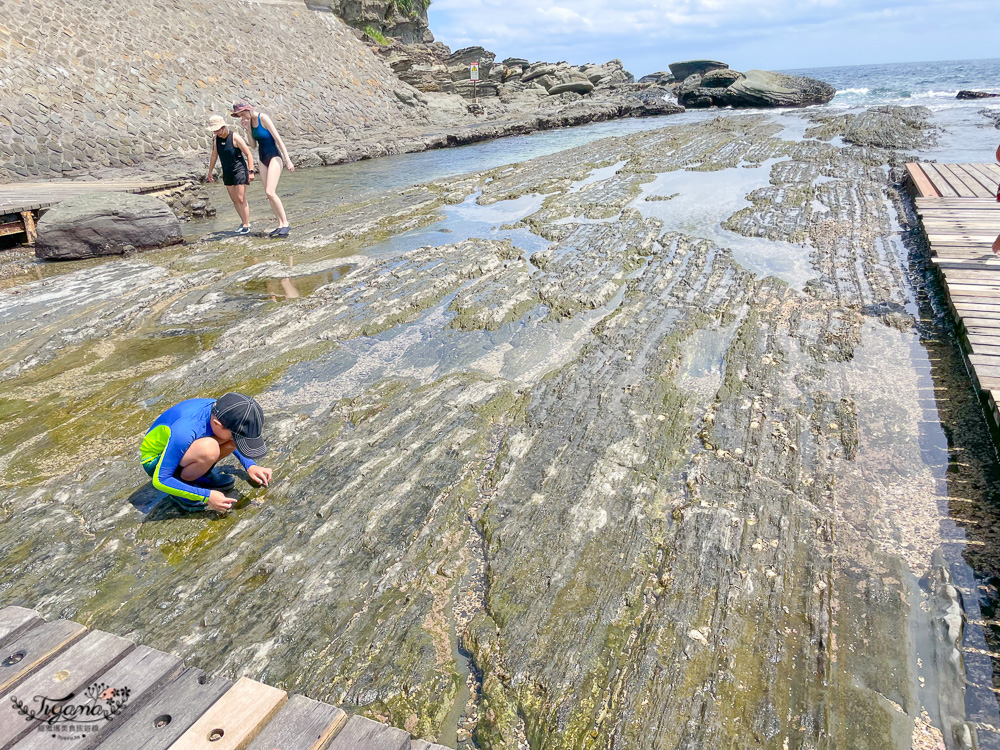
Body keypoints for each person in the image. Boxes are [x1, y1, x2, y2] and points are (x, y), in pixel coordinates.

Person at [140, 392, 273, 513]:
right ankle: (182, 487)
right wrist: (205, 496)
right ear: (217, 424)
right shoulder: (185, 431)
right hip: (156, 461)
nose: (236, 439)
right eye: (236, 435)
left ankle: (198, 475)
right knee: (209, 448)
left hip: (188, 449)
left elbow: (233, 439)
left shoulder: (224, 411)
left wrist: (250, 465)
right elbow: (160, 480)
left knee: (227, 440)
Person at [231, 100, 295, 237]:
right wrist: (247, 130)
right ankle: (279, 224)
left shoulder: (263, 118)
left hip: (274, 156)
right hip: (262, 158)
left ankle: (285, 223)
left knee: (270, 191)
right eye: (239, 115)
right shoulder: (251, 123)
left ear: (248, 110)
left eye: (242, 114)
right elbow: (253, 145)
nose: (242, 117)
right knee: (268, 194)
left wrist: (288, 160)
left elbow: (278, 139)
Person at [206, 115, 255, 235]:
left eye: (218, 130)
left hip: (239, 170)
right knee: (234, 200)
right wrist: (210, 171)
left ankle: (246, 224)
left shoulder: (234, 137)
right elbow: (214, 155)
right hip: (227, 171)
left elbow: (249, 154)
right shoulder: (216, 139)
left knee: (241, 198)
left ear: (223, 127)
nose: (216, 132)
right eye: (214, 131)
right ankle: (243, 221)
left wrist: (251, 171)